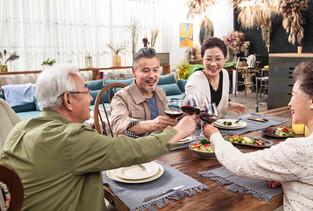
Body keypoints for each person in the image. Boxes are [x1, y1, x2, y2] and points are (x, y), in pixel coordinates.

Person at [0, 64, 196, 211]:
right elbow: (135, 151)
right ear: (68, 99)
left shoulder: (21, 128)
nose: (91, 98)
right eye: (86, 91)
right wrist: (177, 132)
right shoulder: (70, 138)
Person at [203, 60, 313, 210]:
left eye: (293, 95)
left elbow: (239, 163)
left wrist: (215, 136)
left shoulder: (302, 150)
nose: (289, 103)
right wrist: (287, 175)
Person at [110, 47, 176, 138]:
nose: (152, 76)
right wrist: (152, 125)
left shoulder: (161, 93)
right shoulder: (121, 97)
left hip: (163, 148)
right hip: (137, 150)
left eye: (155, 70)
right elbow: (118, 124)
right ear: (134, 72)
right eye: (146, 71)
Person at [185, 37, 246, 116]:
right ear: (203, 60)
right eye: (209, 59)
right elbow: (191, 104)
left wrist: (229, 105)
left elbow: (219, 99)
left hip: (217, 125)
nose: (213, 64)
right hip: (196, 126)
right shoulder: (196, 79)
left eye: (218, 59)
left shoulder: (224, 74)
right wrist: (196, 107)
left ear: (224, 59)